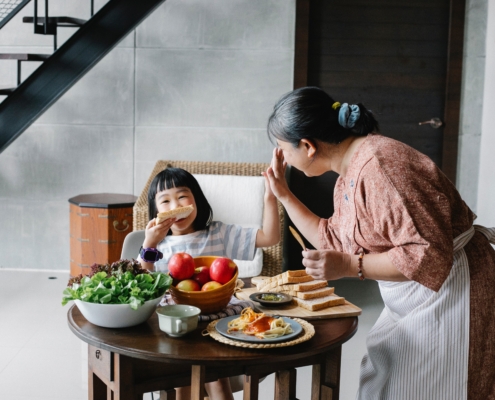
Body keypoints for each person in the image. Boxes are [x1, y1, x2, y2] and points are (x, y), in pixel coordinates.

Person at [263, 86, 495, 399]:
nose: (285, 161)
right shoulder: (348, 172)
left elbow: (426, 254)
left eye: (283, 150)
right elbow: (332, 238)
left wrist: (347, 266)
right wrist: (283, 195)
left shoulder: (380, 166)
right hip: (419, 297)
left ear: (307, 146)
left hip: (452, 294)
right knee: (384, 382)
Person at [138, 166, 280, 400]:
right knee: (182, 384)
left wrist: (271, 197)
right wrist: (149, 244)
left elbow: (270, 237)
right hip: (176, 335)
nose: (175, 206)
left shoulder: (218, 233)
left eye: (182, 196)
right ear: (155, 211)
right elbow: (142, 284)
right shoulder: (157, 248)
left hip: (215, 330)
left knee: (217, 382)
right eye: (165, 201)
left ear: (197, 200)